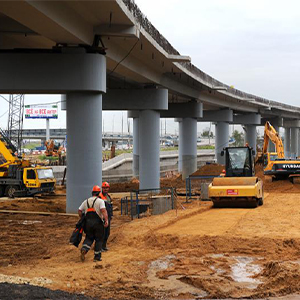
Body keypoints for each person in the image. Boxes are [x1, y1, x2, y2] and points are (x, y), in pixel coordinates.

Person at [78, 185, 108, 262]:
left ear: (92, 193)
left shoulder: (86, 201)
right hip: (98, 224)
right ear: (99, 193)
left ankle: (84, 249)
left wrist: (82, 218)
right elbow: (103, 211)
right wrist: (106, 220)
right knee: (99, 239)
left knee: (89, 237)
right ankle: (97, 257)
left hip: (88, 224)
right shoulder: (100, 201)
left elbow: (79, 211)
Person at [99, 182, 113, 252]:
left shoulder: (108, 196)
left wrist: (111, 215)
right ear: (102, 188)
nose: (105, 189)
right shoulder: (99, 196)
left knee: (107, 232)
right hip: (102, 217)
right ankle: (100, 247)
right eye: (104, 188)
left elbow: (110, 206)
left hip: (108, 216)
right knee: (102, 232)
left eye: (107, 188)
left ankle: (104, 246)